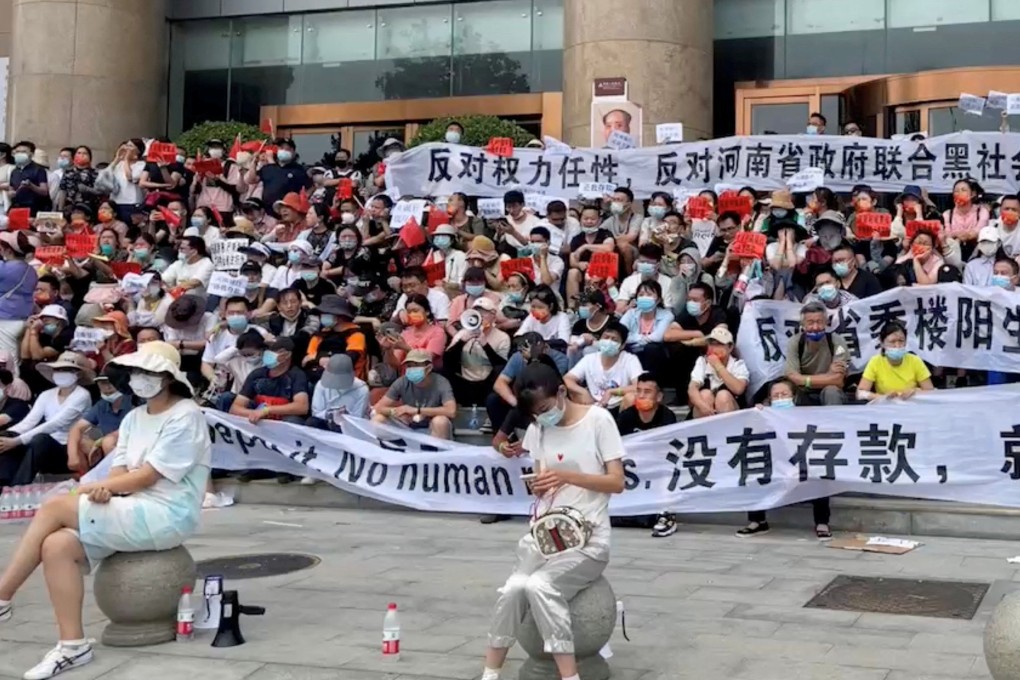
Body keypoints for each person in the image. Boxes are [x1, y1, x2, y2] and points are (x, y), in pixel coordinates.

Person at [0, 341, 210, 680]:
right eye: (138, 372)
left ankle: (3, 595)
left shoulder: (187, 414)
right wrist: (103, 488)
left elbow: (148, 475)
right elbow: (120, 469)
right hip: (129, 506)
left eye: (151, 372)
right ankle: (72, 645)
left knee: (55, 506)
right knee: (57, 546)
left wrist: (95, 488)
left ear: (168, 377)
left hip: (167, 513)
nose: (141, 378)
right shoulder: (133, 418)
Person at [480, 362, 624, 680]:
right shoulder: (539, 428)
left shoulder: (598, 421)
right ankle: (490, 673)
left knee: (541, 586)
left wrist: (567, 476)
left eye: (545, 408)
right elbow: (542, 483)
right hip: (547, 534)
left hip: (588, 537)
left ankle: (569, 676)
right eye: (536, 413)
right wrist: (539, 483)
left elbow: (617, 482)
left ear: (561, 391)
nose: (543, 416)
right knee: (514, 588)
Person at [737, 378, 831, 540]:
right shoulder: (764, 415)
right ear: (769, 399)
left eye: (784, 394)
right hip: (775, 464)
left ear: (793, 397)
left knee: (821, 472)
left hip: (801, 462)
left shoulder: (807, 415)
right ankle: (757, 521)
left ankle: (822, 522)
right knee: (755, 470)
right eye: (776, 396)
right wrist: (757, 416)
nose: (780, 398)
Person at [0, 352, 94, 487]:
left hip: (67, 449)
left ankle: (18, 486)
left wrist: (17, 441)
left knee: (40, 439)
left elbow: (55, 424)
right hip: (40, 447)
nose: (61, 373)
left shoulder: (82, 395)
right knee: (7, 437)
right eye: (58, 369)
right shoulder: (46, 395)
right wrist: (8, 436)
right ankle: (3, 483)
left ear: (78, 374)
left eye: (66, 370)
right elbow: (29, 422)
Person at [487, 332, 569, 434]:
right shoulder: (518, 357)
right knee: (493, 399)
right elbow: (499, 384)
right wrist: (516, 402)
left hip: (545, 400)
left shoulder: (560, 359)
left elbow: (543, 383)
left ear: (546, 348)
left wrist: (534, 360)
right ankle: (505, 435)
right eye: (524, 357)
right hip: (523, 399)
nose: (525, 360)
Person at [372, 349, 456, 439]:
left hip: (431, 426)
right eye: (409, 366)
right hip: (407, 425)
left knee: (441, 421)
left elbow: (451, 411)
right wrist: (397, 412)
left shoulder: (441, 382)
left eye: (415, 365)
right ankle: (392, 449)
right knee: (378, 419)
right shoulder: (402, 382)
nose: (411, 369)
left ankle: (437, 450)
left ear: (428, 368)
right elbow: (378, 407)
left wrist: (417, 410)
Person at [564, 321, 642, 415]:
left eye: (614, 339)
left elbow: (639, 386)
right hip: (593, 404)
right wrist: (583, 392)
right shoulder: (590, 359)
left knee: (632, 397)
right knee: (574, 393)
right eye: (606, 337)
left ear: (622, 346)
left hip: (619, 405)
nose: (609, 341)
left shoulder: (630, 360)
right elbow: (567, 379)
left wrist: (612, 392)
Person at [444, 297, 511, 407]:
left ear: (493, 316)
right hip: (465, 381)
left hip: (488, 382)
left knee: (500, 371)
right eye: (477, 312)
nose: (481, 316)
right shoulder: (462, 334)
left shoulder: (503, 337)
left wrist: (485, 345)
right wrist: (461, 342)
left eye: (484, 313)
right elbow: (447, 360)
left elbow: (501, 366)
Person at [230, 336, 310, 426]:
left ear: (287, 355)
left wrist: (267, 411)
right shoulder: (257, 374)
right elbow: (236, 407)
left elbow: (302, 406)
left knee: (293, 421)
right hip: (256, 420)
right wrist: (253, 414)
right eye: (268, 349)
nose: (268, 353)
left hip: (281, 422)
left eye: (274, 350)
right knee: (227, 398)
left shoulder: (297, 375)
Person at [66, 373, 131, 474]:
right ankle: (86, 479)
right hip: (107, 448)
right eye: (102, 383)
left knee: (109, 442)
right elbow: (77, 428)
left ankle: (117, 479)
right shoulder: (101, 405)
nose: (107, 387)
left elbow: (130, 428)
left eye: (111, 382)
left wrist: (100, 442)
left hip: (130, 445)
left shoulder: (133, 401)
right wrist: (72, 456)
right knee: (80, 441)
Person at [785, 301, 848, 406]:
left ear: (826, 322)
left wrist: (804, 380)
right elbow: (793, 378)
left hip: (828, 390)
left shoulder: (836, 341)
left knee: (831, 391)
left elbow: (838, 380)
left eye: (819, 322)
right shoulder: (795, 342)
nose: (815, 327)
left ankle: (834, 422)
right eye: (810, 322)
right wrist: (828, 375)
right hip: (804, 392)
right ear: (803, 325)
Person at [857, 321, 935, 401]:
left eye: (901, 341)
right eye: (892, 342)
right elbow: (860, 393)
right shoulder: (875, 362)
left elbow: (930, 391)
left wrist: (915, 392)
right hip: (886, 408)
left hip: (912, 407)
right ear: (882, 343)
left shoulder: (915, 360)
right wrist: (881, 397)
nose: (897, 346)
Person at [687, 325, 748, 418]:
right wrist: (702, 405)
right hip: (706, 411)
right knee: (705, 395)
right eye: (712, 344)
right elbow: (692, 388)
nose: (714, 348)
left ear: (730, 347)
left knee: (723, 396)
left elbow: (739, 389)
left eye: (719, 344)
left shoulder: (738, 364)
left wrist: (718, 365)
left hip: (731, 411)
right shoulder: (702, 361)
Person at [303, 295, 367, 382]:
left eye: (326, 313)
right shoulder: (319, 335)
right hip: (317, 379)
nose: (322, 316)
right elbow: (306, 361)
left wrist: (319, 358)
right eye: (322, 313)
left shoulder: (356, 334)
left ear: (339, 316)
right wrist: (323, 359)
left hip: (349, 382)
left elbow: (348, 360)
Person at [0, 232, 38, 372]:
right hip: (23, 319)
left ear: (9, 250)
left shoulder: (4, 268)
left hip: (6, 321)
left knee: (8, 361)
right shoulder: (31, 270)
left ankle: (12, 390)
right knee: (16, 359)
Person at [307, 354, 370, 432]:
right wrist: (331, 415)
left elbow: (357, 417)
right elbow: (316, 413)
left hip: (349, 426)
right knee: (312, 422)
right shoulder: (321, 385)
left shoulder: (362, 390)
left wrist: (344, 417)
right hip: (326, 422)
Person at [247, 138, 311, 210]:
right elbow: (252, 180)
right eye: (281, 148)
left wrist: (301, 203)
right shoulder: (268, 168)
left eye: (287, 149)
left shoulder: (299, 170)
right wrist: (253, 164)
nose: (284, 151)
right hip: (268, 213)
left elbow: (310, 188)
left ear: (293, 152)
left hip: (288, 211)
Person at [615, 243, 673, 312]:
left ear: (658, 265)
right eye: (642, 262)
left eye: (649, 263)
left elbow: (668, 310)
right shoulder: (628, 281)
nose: (645, 265)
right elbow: (619, 310)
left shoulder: (668, 282)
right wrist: (629, 307)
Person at [944, 178, 989, 261]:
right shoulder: (947, 214)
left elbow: (979, 230)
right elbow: (947, 234)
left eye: (963, 190)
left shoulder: (982, 211)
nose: (959, 193)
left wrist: (966, 236)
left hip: (977, 252)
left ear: (973, 194)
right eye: (956, 191)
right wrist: (958, 236)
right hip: (953, 252)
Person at [515, 285, 571, 350]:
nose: (536, 310)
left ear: (551, 306)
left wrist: (538, 344)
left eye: (540, 307)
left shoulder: (562, 317)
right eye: (533, 307)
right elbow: (518, 337)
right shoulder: (531, 317)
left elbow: (563, 342)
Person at [567, 289, 612, 365]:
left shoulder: (612, 323)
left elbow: (614, 345)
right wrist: (582, 338)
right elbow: (572, 344)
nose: (581, 308)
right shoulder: (579, 324)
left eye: (584, 305)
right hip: (581, 362)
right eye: (580, 304)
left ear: (597, 306)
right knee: (571, 350)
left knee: (589, 350)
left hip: (606, 361)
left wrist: (593, 342)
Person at [8, 140, 50, 214]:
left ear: (31, 154)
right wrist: (11, 193)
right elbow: (11, 188)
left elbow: (44, 191)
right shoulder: (15, 171)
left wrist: (31, 186)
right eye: (17, 152)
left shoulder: (38, 170)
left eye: (23, 152)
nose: (20, 154)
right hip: (17, 207)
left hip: (34, 208)